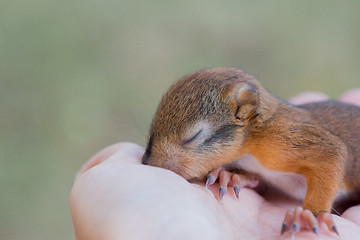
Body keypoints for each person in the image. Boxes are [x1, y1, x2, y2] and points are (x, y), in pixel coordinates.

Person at [70, 90, 360, 240]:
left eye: (193, 137)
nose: (156, 165)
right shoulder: (241, 152)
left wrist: (314, 212)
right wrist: (239, 175)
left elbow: (331, 155)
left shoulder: (280, 137)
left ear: (245, 112)